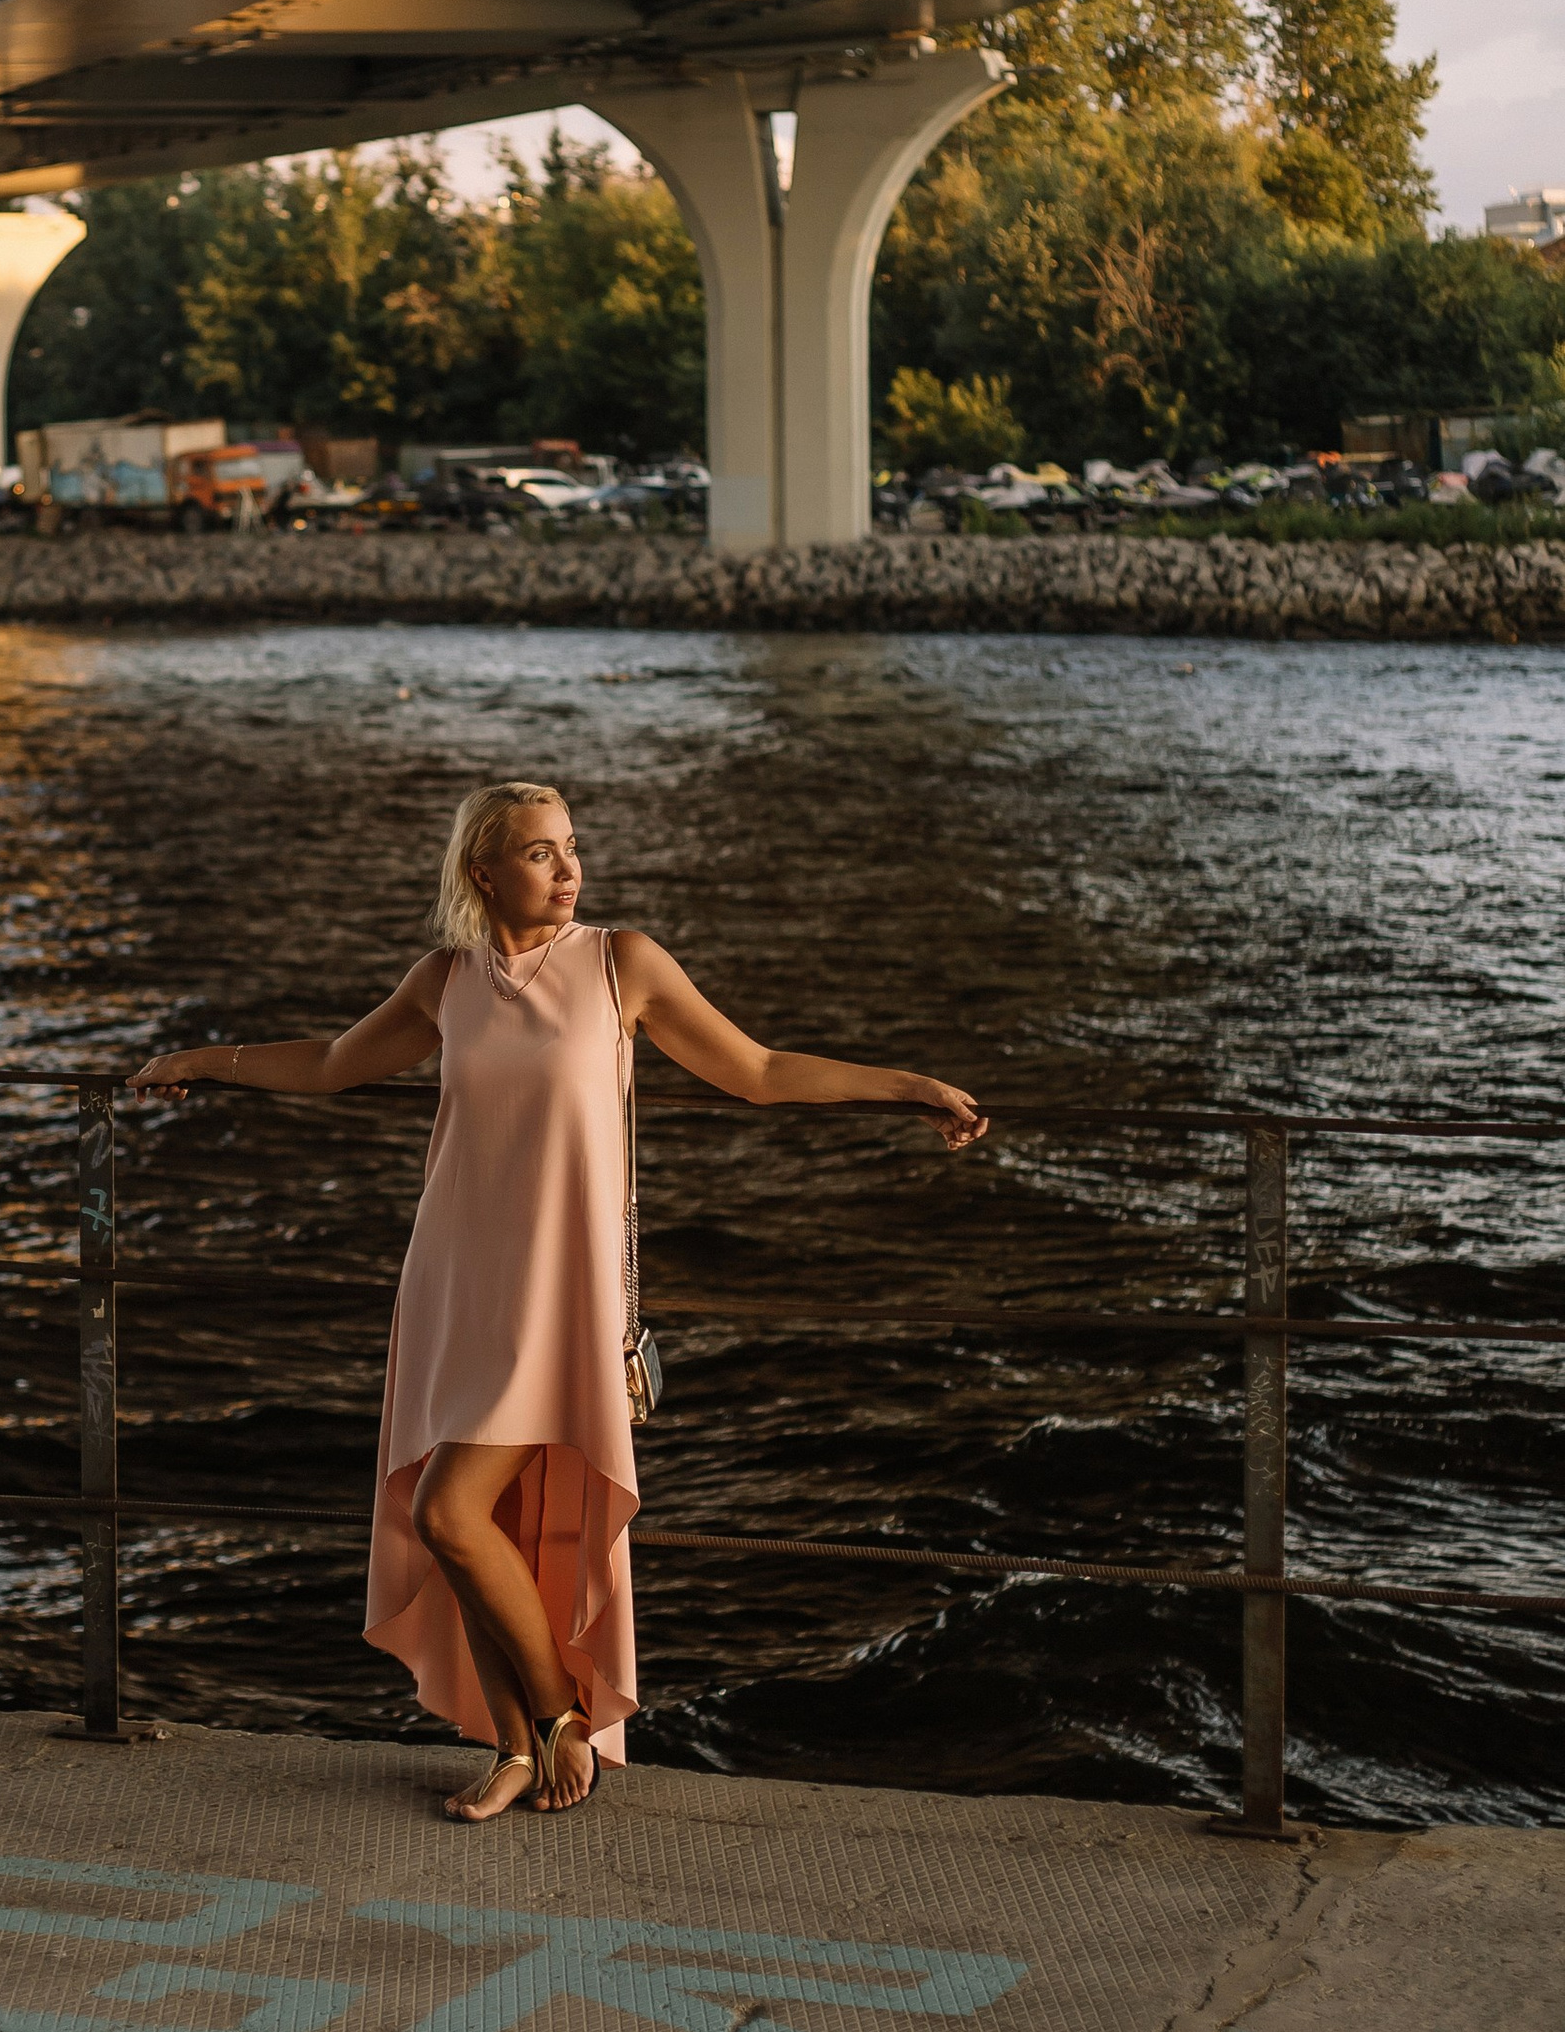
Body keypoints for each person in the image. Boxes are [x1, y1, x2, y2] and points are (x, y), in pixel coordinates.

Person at [130, 778, 987, 1821]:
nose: (569, 868)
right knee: (472, 1517)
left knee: (450, 1512)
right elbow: (331, 1064)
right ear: (483, 871)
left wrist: (907, 1087)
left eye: (571, 846)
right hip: (457, 1278)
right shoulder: (445, 979)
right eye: (540, 852)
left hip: (559, 1289)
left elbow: (757, 1070)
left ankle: (555, 1712)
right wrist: (200, 1061)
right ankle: (514, 1747)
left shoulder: (623, 963)